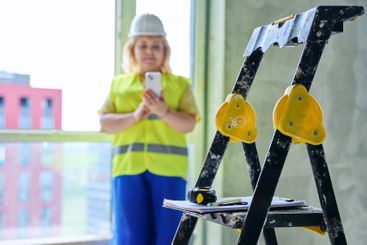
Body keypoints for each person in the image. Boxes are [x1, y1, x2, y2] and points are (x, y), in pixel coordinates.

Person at [99, 13, 200, 245]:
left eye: (156, 45)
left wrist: (164, 111)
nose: (149, 51)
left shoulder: (180, 85)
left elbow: (189, 124)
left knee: (170, 236)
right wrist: (136, 115)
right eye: (142, 45)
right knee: (129, 237)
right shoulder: (118, 85)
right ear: (132, 50)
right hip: (127, 171)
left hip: (170, 172)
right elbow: (104, 123)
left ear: (165, 50)